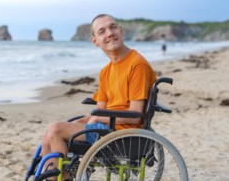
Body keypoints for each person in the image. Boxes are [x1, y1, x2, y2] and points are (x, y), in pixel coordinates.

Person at [41, 14, 156, 180]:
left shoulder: (136, 64)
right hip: (107, 127)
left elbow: (136, 113)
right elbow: (100, 111)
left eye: (113, 27)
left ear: (121, 31)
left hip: (123, 133)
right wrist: (78, 123)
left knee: (56, 130)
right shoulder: (106, 71)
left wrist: (97, 118)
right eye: (102, 31)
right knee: (49, 134)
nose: (109, 33)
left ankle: (63, 177)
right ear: (95, 41)